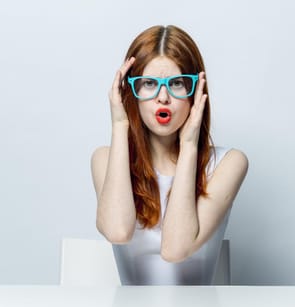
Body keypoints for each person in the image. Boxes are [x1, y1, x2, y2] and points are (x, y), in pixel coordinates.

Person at [91, 25, 248, 285]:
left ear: (197, 90)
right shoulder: (105, 160)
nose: (163, 97)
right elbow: (117, 231)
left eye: (176, 84)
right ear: (130, 91)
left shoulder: (229, 164)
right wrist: (120, 125)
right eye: (149, 84)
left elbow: (175, 250)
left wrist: (189, 145)